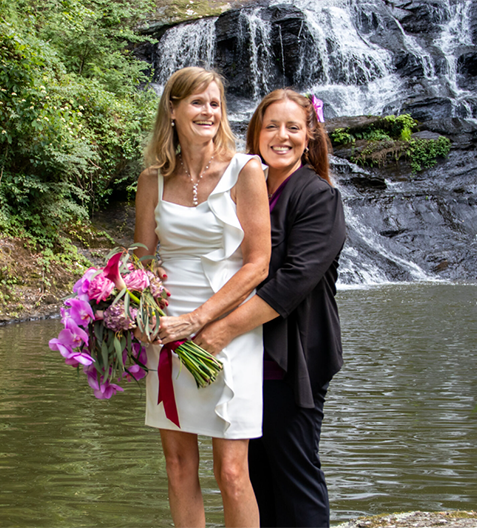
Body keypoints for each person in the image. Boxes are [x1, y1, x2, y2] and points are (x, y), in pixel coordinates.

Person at [193, 88, 346, 528]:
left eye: (293, 127)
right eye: (271, 126)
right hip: (246, 356)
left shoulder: (318, 197)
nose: (281, 136)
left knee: (294, 472)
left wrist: (219, 330)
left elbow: (292, 282)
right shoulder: (246, 187)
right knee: (253, 476)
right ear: (255, 132)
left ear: (310, 136)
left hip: (289, 356)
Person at [134, 67, 270, 528]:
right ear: (172, 110)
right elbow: (142, 261)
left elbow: (257, 264)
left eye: (215, 103)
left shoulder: (246, 170)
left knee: (231, 471)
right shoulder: (151, 179)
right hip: (167, 330)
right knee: (178, 467)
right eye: (197, 102)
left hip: (225, 327)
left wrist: (199, 321)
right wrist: (135, 311)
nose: (208, 111)